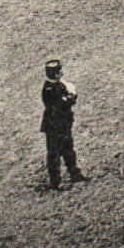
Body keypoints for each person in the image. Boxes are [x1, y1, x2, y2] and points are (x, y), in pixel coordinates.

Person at [39, 59, 86, 190]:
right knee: (54, 154)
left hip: (63, 125)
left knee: (68, 150)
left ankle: (74, 173)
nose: (61, 73)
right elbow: (62, 104)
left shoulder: (59, 85)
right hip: (54, 127)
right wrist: (71, 96)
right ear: (54, 74)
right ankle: (54, 182)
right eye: (59, 72)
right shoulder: (49, 89)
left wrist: (70, 95)